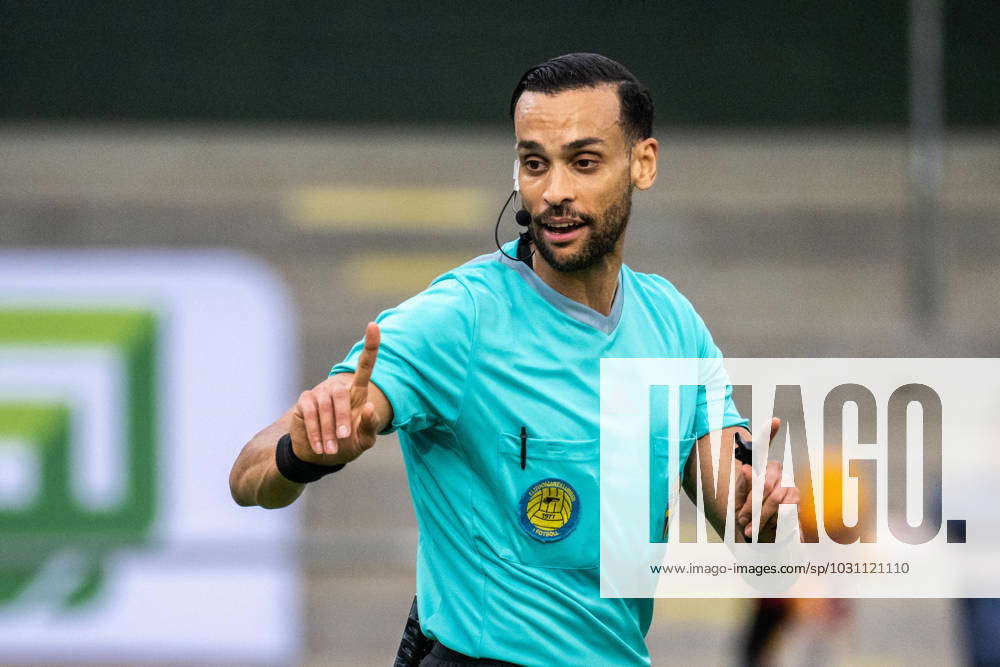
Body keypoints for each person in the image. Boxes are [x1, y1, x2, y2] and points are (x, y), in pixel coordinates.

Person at [229, 53, 799, 666]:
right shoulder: (459, 319)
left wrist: (754, 514)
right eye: (534, 163)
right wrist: (302, 453)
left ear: (643, 163)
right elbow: (248, 474)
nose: (554, 192)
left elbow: (735, 503)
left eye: (583, 163)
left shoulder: (674, 325)